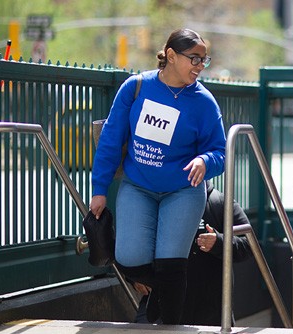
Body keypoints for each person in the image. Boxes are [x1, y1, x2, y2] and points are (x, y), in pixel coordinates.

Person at [89, 28, 226, 325]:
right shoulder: (136, 87)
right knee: (129, 258)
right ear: (172, 56)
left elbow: (220, 152)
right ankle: (155, 308)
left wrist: (205, 161)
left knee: (171, 265)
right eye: (194, 59)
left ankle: (169, 327)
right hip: (138, 187)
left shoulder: (204, 102)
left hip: (183, 191)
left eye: (204, 60)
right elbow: (111, 140)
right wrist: (99, 189)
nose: (200, 66)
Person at [134, 180, 253, 325]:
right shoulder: (157, 200)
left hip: (209, 312)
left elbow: (249, 245)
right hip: (161, 307)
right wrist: (136, 276)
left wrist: (219, 242)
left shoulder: (219, 203)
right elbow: (134, 244)